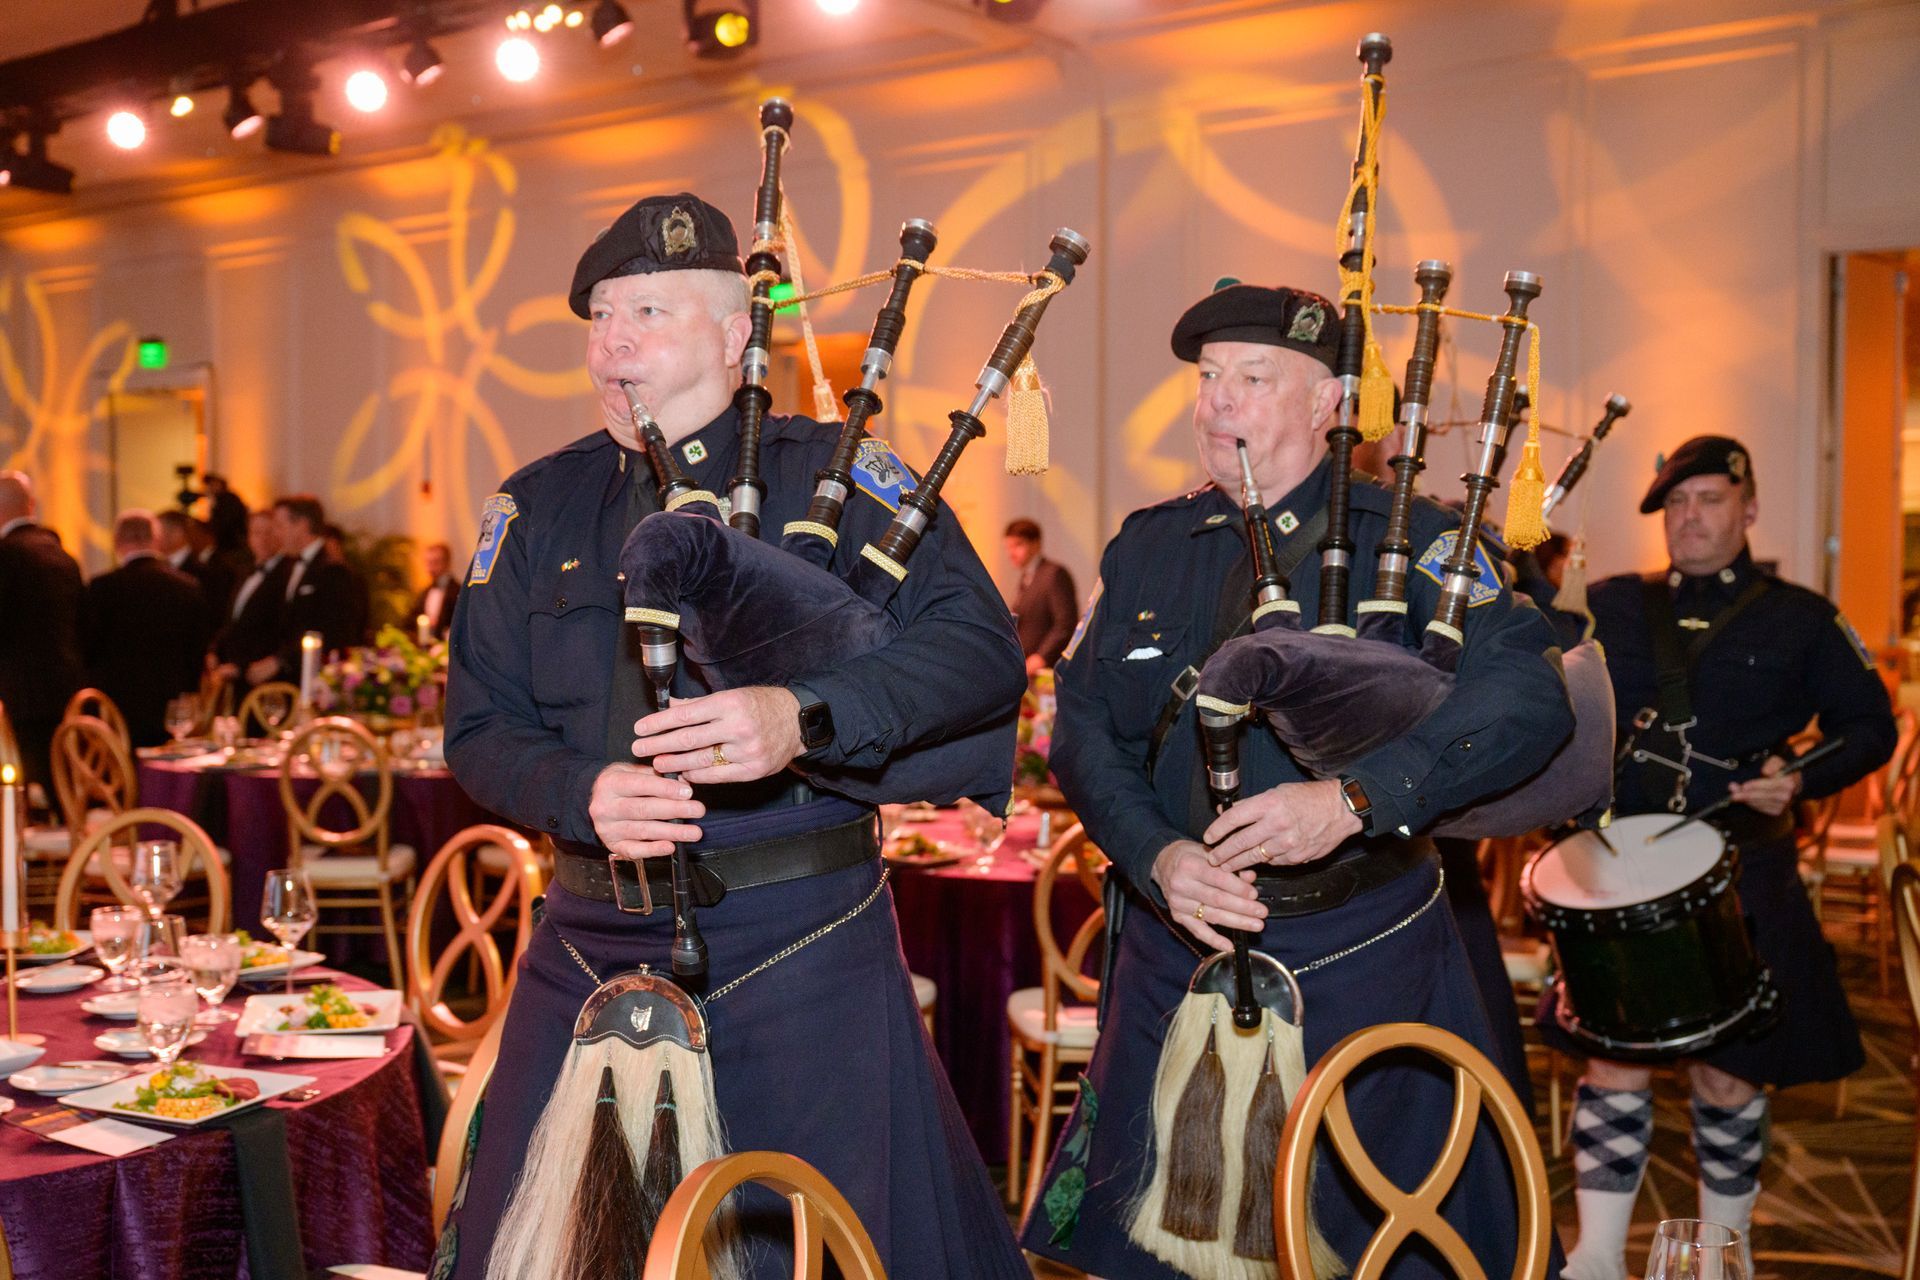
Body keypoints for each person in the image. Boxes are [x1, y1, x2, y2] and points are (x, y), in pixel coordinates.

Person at [438, 192, 1029, 1280]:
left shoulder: (839, 478)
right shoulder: (535, 507)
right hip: (586, 939)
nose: (611, 340)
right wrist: (579, 790)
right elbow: (477, 728)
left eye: (648, 311)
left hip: (800, 935)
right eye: (600, 316)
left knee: (815, 1247)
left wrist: (800, 715)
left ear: (735, 332)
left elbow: (981, 655)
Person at [1018, 282, 1575, 1279]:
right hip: (1174, 950)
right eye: (1207, 377)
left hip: (1360, 951)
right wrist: (1157, 854)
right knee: (1153, 1255)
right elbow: (1085, 729)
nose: (1216, 400)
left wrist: (1356, 799)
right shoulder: (1148, 544)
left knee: (1369, 1246)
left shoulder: (1421, 544)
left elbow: (1530, 701)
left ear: (1330, 405)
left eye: (1254, 377)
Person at [1549, 435, 1895, 1280]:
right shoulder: (1611, 605)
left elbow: (1871, 727)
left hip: (1744, 869)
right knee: (1611, 1063)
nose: (1689, 517)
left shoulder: (1800, 617)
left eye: (1707, 500)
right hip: (1617, 872)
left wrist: (1798, 777)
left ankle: (1721, 1258)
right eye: (1675, 504)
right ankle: (1596, 1257)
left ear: (1748, 509)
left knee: (1730, 1077)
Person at [82, 511, 210, 747]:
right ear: (157, 541)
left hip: (115, 706)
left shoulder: (103, 588)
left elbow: (88, 646)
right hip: (170, 706)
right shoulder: (187, 586)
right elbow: (197, 648)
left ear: (117, 543)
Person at [0, 471, 85, 790]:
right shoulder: (62, 555)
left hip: (18, 692)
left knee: (24, 786)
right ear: (31, 505)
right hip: (65, 685)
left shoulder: (6, 555)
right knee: (59, 782)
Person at [249, 495, 356, 686]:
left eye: (280, 526)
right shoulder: (289, 567)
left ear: (302, 525)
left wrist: (282, 661)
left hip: (314, 683)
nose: (276, 534)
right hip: (284, 682)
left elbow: (330, 632)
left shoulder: (331, 570)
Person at [213, 510, 291, 691]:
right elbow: (234, 622)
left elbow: (277, 630)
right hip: (233, 674)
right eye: (256, 533)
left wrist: (243, 666)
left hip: (264, 676)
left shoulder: (287, 575)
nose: (262, 539)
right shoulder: (244, 573)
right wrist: (215, 650)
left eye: (268, 532)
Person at [1004, 516, 1078, 674]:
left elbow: (1065, 624)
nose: (1012, 553)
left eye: (1018, 545)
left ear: (1036, 544)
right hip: (1028, 667)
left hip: (1047, 669)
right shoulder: (1026, 577)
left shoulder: (1054, 574)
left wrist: (1041, 657)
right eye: (1009, 547)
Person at [158, 509, 237, 619]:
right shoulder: (157, 568)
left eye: (158, 531)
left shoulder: (205, 574)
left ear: (177, 533)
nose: (154, 538)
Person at [409, 541, 459, 640]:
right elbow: (411, 618)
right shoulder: (425, 592)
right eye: (428, 563)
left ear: (447, 563)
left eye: (435, 562)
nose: (430, 568)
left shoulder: (457, 591)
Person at [200, 472, 250, 556]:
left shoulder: (228, 500)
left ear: (219, 484)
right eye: (209, 485)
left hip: (231, 545)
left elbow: (224, 524)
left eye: (212, 484)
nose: (209, 488)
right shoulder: (222, 500)